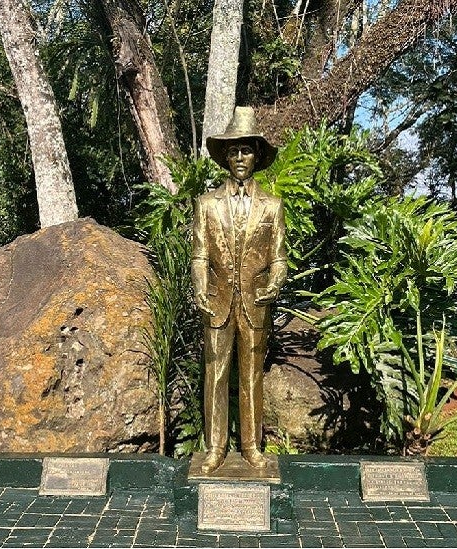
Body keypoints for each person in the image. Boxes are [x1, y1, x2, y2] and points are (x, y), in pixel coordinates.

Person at [191, 106, 287, 473]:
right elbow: (199, 255)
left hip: (256, 303)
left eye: (246, 150)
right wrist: (200, 288)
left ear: (257, 155)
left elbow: (279, 258)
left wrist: (275, 283)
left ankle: (251, 446)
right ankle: (215, 447)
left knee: (251, 376)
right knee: (215, 374)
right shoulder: (207, 205)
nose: (240, 157)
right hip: (216, 302)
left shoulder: (272, 207)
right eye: (234, 151)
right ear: (225, 157)